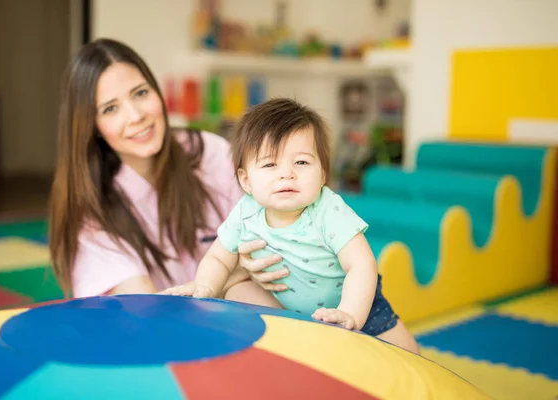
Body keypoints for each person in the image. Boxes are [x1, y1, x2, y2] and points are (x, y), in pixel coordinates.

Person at [164, 98, 420, 354]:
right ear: (246, 181)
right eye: (270, 164)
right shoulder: (245, 212)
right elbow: (219, 258)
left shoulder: (328, 210)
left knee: (411, 360)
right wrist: (205, 286)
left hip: (355, 304)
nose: (287, 173)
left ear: (322, 174)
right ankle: (289, 346)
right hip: (286, 308)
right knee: (238, 290)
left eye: (301, 162)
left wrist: (349, 314)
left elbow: (362, 265)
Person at [48, 38, 284, 306]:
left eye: (140, 93)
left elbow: (281, 246)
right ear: (92, 126)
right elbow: (147, 310)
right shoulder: (91, 212)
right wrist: (231, 277)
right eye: (110, 109)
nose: (136, 116)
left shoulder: (211, 153)